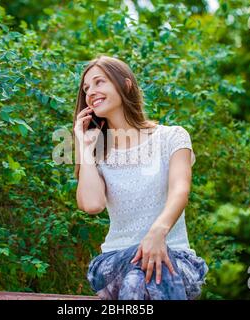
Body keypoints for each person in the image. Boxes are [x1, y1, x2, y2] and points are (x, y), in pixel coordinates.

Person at [72, 55, 208, 300]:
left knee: (141, 277)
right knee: (140, 269)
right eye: (86, 88)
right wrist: (83, 146)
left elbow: (180, 190)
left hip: (175, 259)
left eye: (99, 82)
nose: (91, 91)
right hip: (114, 263)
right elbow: (92, 205)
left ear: (126, 85)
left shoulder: (172, 137)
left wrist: (157, 233)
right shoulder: (98, 153)